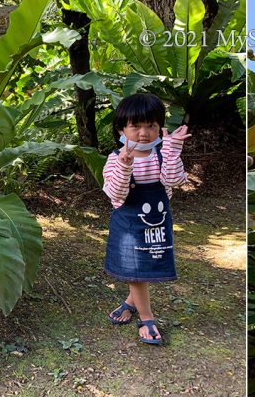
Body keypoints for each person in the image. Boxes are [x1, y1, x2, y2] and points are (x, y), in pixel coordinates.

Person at [101, 93, 189, 345]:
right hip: (128, 226)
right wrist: (125, 165)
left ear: (160, 127)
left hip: (157, 223)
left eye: (151, 125)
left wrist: (173, 149)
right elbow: (115, 194)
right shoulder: (113, 160)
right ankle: (147, 319)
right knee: (136, 272)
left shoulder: (161, 156)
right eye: (136, 126)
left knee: (145, 268)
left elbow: (174, 181)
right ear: (121, 128)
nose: (144, 133)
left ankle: (129, 303)